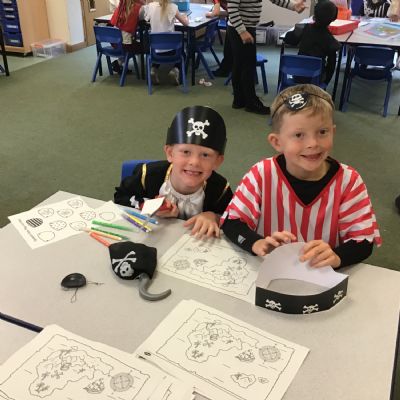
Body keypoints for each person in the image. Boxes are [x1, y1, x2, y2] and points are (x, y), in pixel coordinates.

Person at [221, 84, 381, 268]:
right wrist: (257, 243)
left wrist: (337, 256)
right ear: (277, 142)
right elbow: (232, 222)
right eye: (299, 135)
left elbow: (363, 241)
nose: (313, 143)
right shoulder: (261, 174)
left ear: (333, 132)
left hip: (322, 273)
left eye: (322, 132)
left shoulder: (349, 181)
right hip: (270, 269)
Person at [114, 106, 233, 238]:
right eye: (186, 152)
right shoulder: (148, 175)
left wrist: (214, 216)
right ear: (170, 153)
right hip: (149, 237)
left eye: (205, 155)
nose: (194, 162)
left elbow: (233, 219)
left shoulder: (220, 190)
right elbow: (120, 197)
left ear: (217, 161)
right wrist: (147, 205)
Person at [227, 0, 306, 115]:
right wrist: (242, 32)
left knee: (240, 65)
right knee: (247, 67)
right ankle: (251, 103)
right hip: (240, 30)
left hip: (246, 28)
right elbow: (232, 9)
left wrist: (293, 6)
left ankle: (239, 100)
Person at [284, 0, 340, 87]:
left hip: (297, 75)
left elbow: (288, 40)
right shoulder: (331, 41)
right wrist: (325, 82)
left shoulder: (303, 29)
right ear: (333, 18)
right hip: (316, 80)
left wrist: (295, 31)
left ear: (315, 14)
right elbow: (331, 66)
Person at [144, 0, 189, 85]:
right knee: (183, 54)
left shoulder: (150, 6)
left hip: (155, 52)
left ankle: (154, 69)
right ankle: (175, 70)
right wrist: (185, 17)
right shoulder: (173, 7)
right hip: (172, 52)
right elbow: (186, 23)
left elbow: (145, 19)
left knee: (159, 49)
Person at [110, 0, 145, 73]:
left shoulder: (120, 7)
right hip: (125, 46)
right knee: (144, 46)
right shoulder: (138, 8)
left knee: (131, 41)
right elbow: (144, 18)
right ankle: (143, 71)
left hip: (115, 42)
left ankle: (118, 63)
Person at [205, 0, 232, 77]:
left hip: (234, 22)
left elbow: (216, 13)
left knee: (228, 49)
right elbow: (229, 11)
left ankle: (224, 71)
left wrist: (211, 14)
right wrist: (216, 13)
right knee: (230, 48)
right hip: (236, 18)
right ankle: (229, 68)